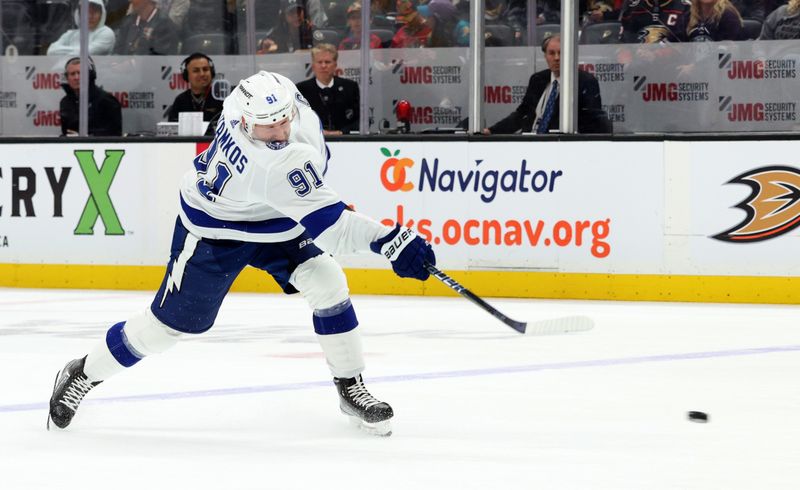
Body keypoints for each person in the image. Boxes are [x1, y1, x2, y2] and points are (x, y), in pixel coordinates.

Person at [48, 70, 436, 437]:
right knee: (165, 330)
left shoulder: (257, 95)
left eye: (285, 119)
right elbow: (335, 231)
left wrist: (317, 202)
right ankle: (82, 373)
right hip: (214, 230)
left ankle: (350, 385)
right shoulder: (270, 163)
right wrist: (393, 241)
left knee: (327, 281)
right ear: (246, 124)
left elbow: (306, 170)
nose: (281, 131)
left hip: (275, 220)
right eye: (269, 126)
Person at [483, 35, 609, 134]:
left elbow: (592, 124)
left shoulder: (585, 82)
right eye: (552, 53)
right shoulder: (538, 79)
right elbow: (522, 115)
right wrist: (492, 131)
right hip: (530, 142)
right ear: (545, 56)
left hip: (561, 147)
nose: (556, 58)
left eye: (561, 53)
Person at [296, 44, 360, 135]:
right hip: (313, 140)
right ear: (313, 65)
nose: (323, 66)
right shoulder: (302, 89)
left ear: (335, 65)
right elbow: (297, 120)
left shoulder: (349, 87)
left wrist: (341, 132)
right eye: (319, 62)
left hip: (345, 140)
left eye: (327, 62)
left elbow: (360, 120)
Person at [59, 57, 123, 136]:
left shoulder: (107, 101)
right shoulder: (65, 102)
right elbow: (66, 132)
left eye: (80, 73)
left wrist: (86, 136)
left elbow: (115, 134)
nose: (76, 77)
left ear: (90, 75)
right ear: (67, 78)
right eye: (72, 74)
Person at [167, 53, 224, 123]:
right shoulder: (180, 100)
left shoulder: (222, 98)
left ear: (211, 73)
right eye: (196, 71)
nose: (202, 74)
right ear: (186, 75)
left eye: (205, 69)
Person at [46, 0, 116, 56]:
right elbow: (51, 52)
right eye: (86, 12)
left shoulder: (106, 33)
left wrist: (62, 53)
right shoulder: (70, 34)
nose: (90, 16)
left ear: (101, 14)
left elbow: (85, 54)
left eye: (94, 12)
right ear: (79, 15)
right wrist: (77, 52)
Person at [113, 0, 180, 55]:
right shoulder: (129, 21)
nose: (130, 1)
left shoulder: (165, 25)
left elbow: (159, 59)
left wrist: (131, 64)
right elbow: (118, 48)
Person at [619, 0, 690, 43]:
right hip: (639, 59)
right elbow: (625, 39)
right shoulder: (633, 7)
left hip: (674, 61)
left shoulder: (684, 7)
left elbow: (688, 42)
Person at [676, 0, 745, 41]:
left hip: (718, 64)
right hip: (690, 62)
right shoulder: (688, 15)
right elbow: (678, 42)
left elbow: (725, 51)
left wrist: (695, 65)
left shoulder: (728, 16)